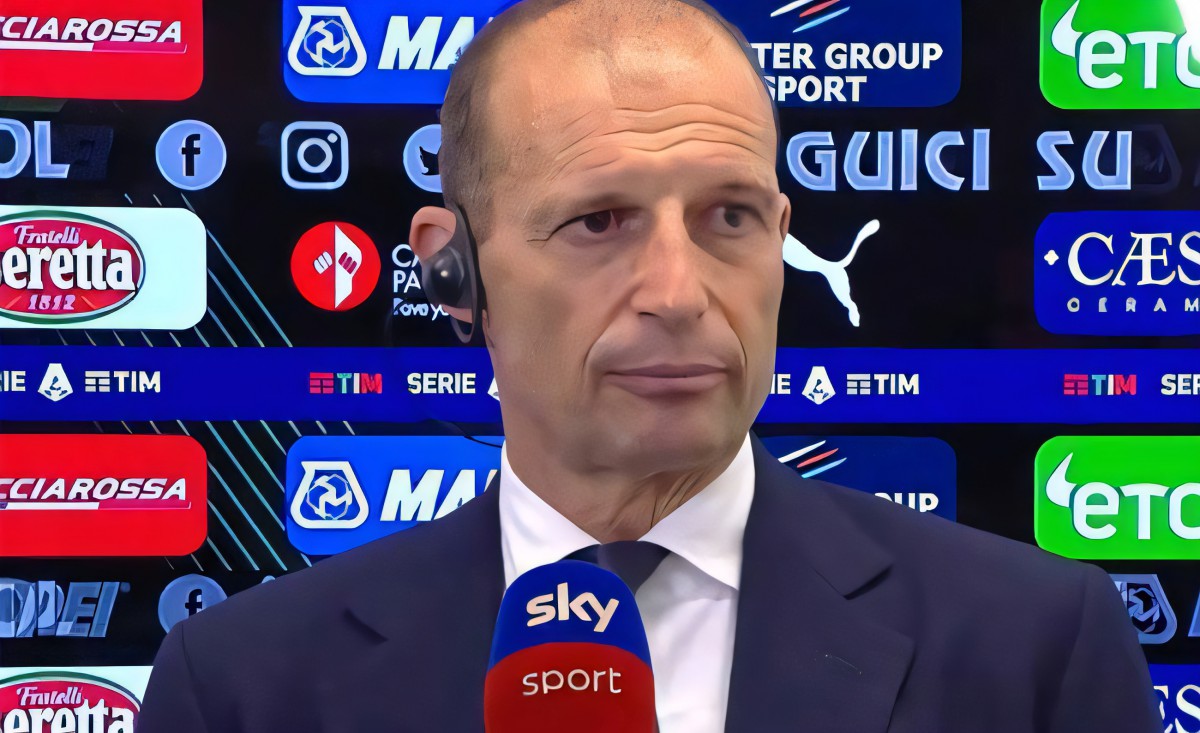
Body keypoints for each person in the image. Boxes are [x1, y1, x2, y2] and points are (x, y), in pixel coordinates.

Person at [135, 0, 1160, 730]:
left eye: (729, 217)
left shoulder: (1036, 649)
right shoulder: (240, 687)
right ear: (454, 273)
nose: (678, 290)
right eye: (599, 221)